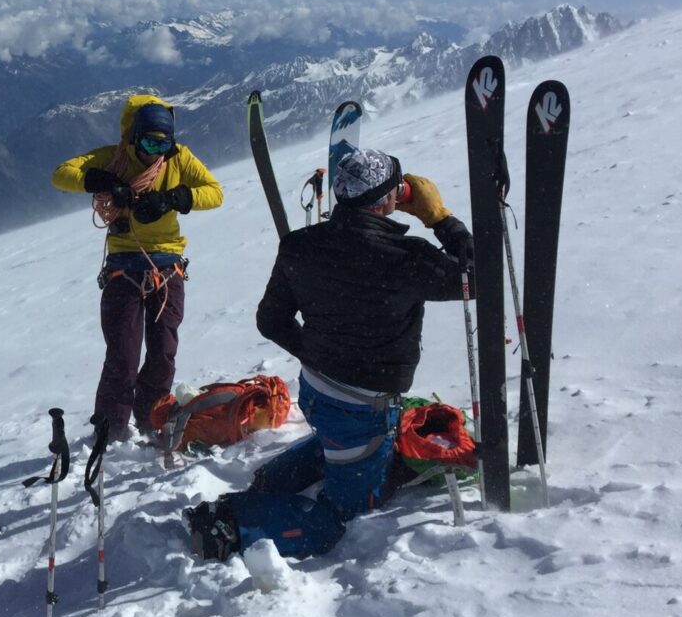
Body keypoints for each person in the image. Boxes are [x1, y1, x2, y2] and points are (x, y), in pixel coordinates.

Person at [187, 148, 473, 560]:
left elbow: (271, 321)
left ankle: (278, 478)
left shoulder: (300, 246)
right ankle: (227, 520)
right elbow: (479, 277)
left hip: (319, 391)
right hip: (361, 408)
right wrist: (440, 218)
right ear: (388, 200)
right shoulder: (406, 257)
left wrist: (320, 354)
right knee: (344, 512)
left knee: (343, 442)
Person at [52, 94, 223, 440]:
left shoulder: (179, 159)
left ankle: (151, 420)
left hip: (166, 264)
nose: (155, 150)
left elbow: (214, 192)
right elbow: (61, 174)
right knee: (123, 355)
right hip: (124, 266)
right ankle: (111, 428)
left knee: (162, 352)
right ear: (135, 137)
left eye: (163, 143)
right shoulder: (114, 159)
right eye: (148, 141)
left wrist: (176, 198)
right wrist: (105, 182)